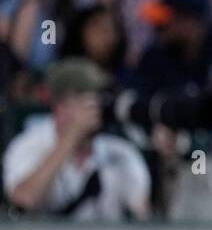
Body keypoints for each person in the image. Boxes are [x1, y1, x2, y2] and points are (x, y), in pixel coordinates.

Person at [3, 57, 150, 220]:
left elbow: (141, 218)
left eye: (99, 97)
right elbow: (23, 201)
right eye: (85, 98)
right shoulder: (29, 145)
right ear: (60, 106)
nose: (96, 105)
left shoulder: (121, 153)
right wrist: (69, 139)